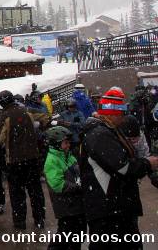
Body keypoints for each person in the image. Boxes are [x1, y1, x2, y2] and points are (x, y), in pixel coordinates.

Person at [79, 87, 158, 249]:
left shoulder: (105, 131)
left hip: (114, 209)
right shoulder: (100, 134)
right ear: (112, 113)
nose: (123, 117)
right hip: (109, 211)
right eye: (121, 112)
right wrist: (148, 163)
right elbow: (123, 168)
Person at [0, 90, 46, 230]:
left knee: (17, 193)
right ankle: (39, 219)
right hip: (32, 157)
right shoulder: (27, 112)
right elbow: (43, 119)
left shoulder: (5, 116)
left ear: (3, 102)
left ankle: (20, 222)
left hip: (14, 160)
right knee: (35, 190)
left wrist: (0, 147)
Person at [43, 126, 85, 250]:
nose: (68, 145)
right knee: (65, 235)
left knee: (78, 234)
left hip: (75, 204)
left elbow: (78, 171)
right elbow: (57, 184)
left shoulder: (69, 156)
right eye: (65, 143)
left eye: (68, 143)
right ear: (56, 144)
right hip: (66, 206)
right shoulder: (52, 160)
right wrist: (77, 187)